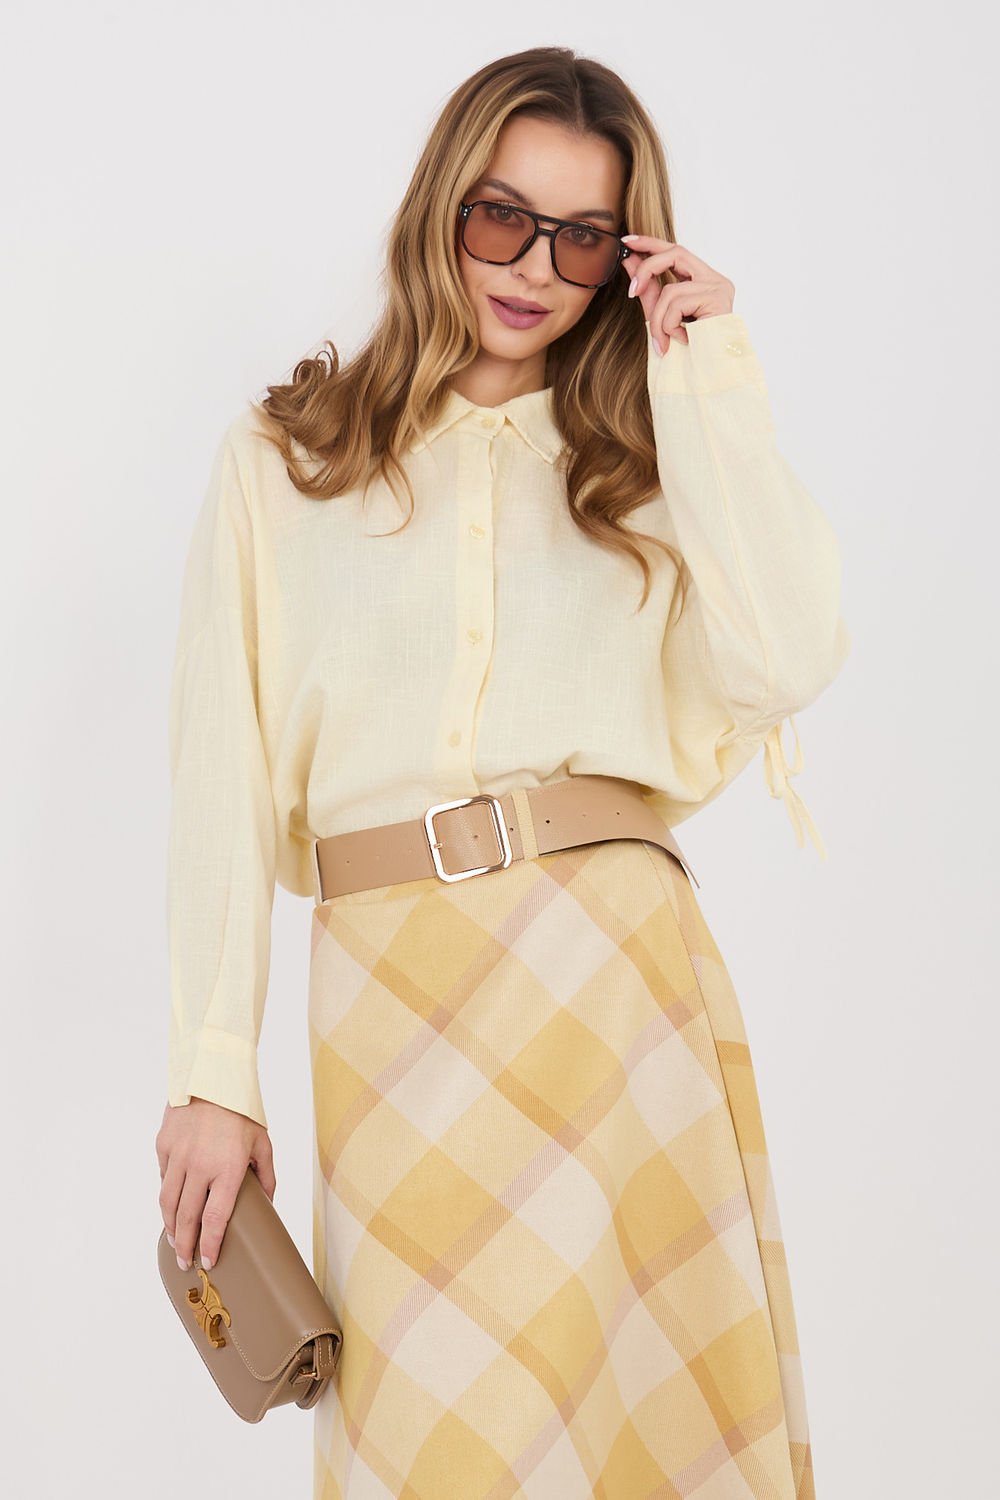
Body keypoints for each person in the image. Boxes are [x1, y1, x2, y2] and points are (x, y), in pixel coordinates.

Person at [156, 45, 847, 1500]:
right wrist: (214, 1069)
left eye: (584, 238)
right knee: (438, 1446)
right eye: (503, 218)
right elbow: (219, 774)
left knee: (649, 1435)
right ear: (441, 208)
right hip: (390, 1005)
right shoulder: (285, 462)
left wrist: (709, 374)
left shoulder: (646, 466)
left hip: (616, 992)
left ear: (623, 259)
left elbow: (789, 655)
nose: (536, 267)